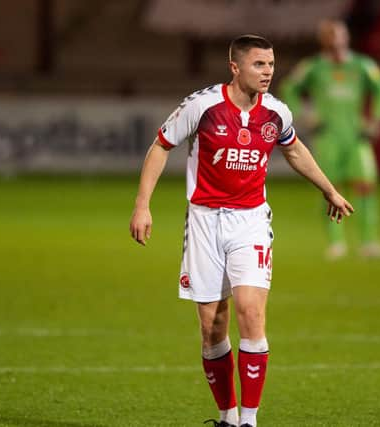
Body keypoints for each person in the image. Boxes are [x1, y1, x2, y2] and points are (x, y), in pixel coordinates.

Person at [129, 35, 353, 427]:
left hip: (250, 220)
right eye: (259, 65)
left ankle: (249, 422)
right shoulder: (203, 106)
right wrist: (142, 205)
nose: (268, 72)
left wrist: (329, 190)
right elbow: (161, 146)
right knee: (212, 324)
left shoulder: (276, 113)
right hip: (203, 221)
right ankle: (228, 417)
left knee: (251, 311)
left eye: (270, 64)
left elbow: (295, 149)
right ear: (235, 67)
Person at [280, 19, 380, 259]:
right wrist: (306, 116)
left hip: (356, 136)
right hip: (328, 137)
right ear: (323, 40)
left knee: (365, 186)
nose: (335, 39)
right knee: (331, 189)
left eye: (338, 34)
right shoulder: (313, 67)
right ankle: (336, 242)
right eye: (330, 35)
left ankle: (368, 241)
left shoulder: (363, 65)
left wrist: (377, 120)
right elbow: (289, 88)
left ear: (347, 37)